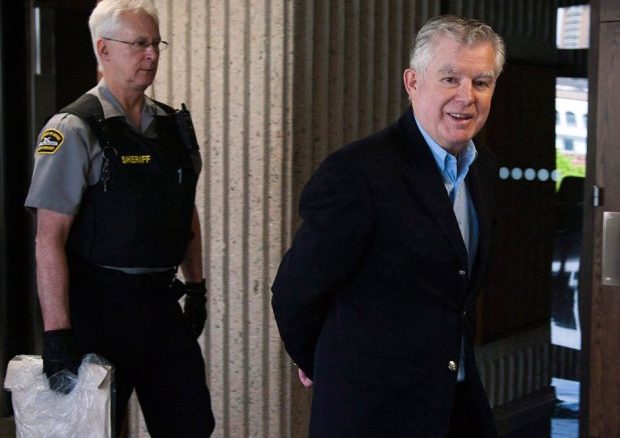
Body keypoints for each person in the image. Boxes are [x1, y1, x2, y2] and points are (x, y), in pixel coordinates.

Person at [271, 15, 505, 437]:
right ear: (412, 83)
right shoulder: (358, 172)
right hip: (371, 412)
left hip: (454, 403)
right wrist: (326, 362)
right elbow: (295, 292)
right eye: (450, 79)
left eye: (481, 82)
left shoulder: (482, 168)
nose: (466, 96)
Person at [25, 0, 215, 436]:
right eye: (139, 44)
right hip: (98, 311)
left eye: (156, 44)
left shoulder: (171, 127)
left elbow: (185, 210)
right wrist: (57, 335)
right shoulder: (73, 129)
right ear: (104, 49)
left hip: (161, 307)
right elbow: (48, 238)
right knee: (96, 429)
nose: (151, 54)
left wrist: (196, 287)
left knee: (190, 425)